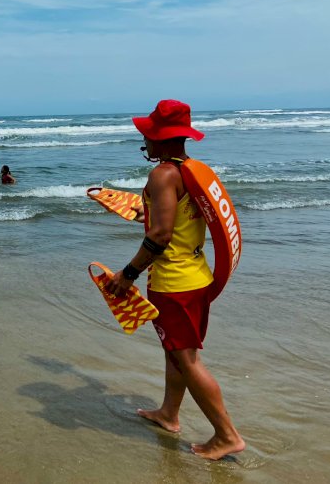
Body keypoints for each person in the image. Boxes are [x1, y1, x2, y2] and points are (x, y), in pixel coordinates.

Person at [104, 99, 245, 461]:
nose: (145, 142)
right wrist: (144, 212)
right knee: (176, 353)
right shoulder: (193, 170)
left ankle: (227, 435)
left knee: (186, 358)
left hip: (174, 283)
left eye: (148, 135)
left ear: (163, 139)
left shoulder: (162, 175)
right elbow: (179, 223)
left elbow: (162, 235)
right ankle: (169, 413)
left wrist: (127, 274)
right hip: (197, 277)